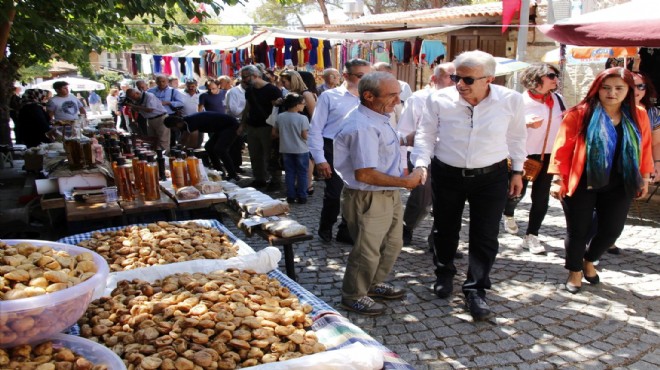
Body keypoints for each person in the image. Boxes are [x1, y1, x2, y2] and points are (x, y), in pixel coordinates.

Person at [411, 50, 526, 321]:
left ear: (489, 79)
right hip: (447, 172)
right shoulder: (438, 98)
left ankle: (476, 289)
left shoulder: (511, 100)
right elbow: (425, 134)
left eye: (467, 79)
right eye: (455, 77)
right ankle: (444, 272)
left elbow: (518, 137)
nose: (460, 84)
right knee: (444, 228)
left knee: (485, 234)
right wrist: (421, 164)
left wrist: (518, 171)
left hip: (492, 175)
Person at [549, 67, 653, 294]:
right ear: (597, 89)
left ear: (629, 90)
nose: (612, 93)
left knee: (612, 230)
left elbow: (644, 149)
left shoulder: (639, 114)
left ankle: (589, 259)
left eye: (619, 88)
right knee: (578, 230)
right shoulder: (580, 113)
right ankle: (575, 271)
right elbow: (562, 148)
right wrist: (557, 178)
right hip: (582, 180)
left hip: (620, 181)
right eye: (606, 88)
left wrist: (644, 177)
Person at [334, 71, 422, 315]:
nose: (397, 101)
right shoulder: (361, 126)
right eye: (392, 95)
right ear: (369, 96)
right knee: (367, 249)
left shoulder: (378, 116)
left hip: (386, 192)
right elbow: (365, 174)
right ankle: (353, 294)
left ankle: (372, 284)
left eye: (398, 95)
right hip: (368, 195)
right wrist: (405, 183)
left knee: (392, 244)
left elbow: (384, 147)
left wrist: (407, 138)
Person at [502, 64, 566, 255]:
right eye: (551, 75)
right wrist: (524, 123)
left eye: (556, 75)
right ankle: (509, 213)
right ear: (536, 79)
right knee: (515, 193)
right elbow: (503, 126)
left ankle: (532, 235)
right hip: (524, 154)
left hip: (548, 155)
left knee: (541, 197)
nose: (556, 79)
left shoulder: (559, 100)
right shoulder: (519, 101)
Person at [309, 58, 372, 244]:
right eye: (361, 76)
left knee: (356, 192)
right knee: (335, 193)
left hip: (360, 148)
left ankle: (346, 229)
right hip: (333, 147)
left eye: (369, 76)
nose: (366, 80)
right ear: (345, 75)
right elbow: (315, 129)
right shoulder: (329, 96)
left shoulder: (369, 97)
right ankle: (326, 226)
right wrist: (320, 159)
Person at [399, 62, 456, 246]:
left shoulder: (460, 99)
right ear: (434, 79)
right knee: (422, 200)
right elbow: (404, 132)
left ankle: (438, 240)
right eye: (450, 77)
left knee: (448, 203)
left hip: (451, 157)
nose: (455, 82)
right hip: (423, 157)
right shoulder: (417, 99)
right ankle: (406, 227)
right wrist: (403, 166)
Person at [239, 65, 283, 189]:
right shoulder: (250, 90)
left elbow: (278, 111)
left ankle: (275, 180)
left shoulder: (272, 90)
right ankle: (259, 179)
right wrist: (243, 124)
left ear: (255, 75)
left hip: (267, 127)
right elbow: (248, 107)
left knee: (270, 155)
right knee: (255, 155)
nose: (243, 80)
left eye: (245, 77)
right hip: (253, 126)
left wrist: (275, 129)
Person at [164, 113, 240, 181]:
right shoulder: (185, 122)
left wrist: (183, 152)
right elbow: (183, 139)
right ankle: (218, 171)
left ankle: (233, 175)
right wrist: (176, 150)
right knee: (209, 147)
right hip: (221, 128)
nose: (174, 130)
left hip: (230, 125)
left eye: (173, 128)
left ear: (177, 124)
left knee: (220, 149)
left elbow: (193, 144)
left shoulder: (190, 123)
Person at [272, 93, 310, 204]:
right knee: (302, 173)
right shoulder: (303, 118)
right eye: (303, 103)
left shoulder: (280, 116)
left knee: (290, 173)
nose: (304, 105)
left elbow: (273, 134)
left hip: (285, 149)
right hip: (301, 149)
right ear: (296, 104)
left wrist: (284, 135)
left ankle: (290, 196)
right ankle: (302, 196)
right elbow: (304, 136)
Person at [632, 73, 660, 182]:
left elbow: (656, 143)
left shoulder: (653, 113)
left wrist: (657, 164)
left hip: (644, 166)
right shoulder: (615, 111)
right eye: (631, 86)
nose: (635, 90)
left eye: (641, 86)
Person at [225, 78, 247, 173]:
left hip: (246, 121)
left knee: (239, 145)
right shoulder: (234, 92)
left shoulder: (250, 91)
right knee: (235, 145)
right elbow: (234, 111)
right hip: (235, 122)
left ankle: (237, 165)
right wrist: (247, 111)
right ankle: (234, 166)